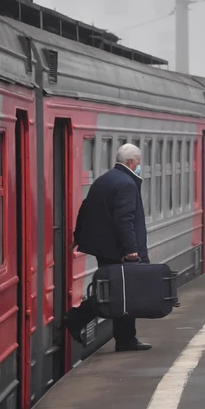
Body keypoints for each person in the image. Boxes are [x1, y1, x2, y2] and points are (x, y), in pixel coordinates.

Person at [64, 143, 152, 352]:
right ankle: (80, 319)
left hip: (106, 248)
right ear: (131, 162)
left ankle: (123, 338)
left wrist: (78, 235)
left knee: (117, 291)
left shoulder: (104, 180)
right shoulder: (127, 184)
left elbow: (85, 208)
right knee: (123, 292)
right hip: (119, 250)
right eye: (138, 162)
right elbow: (124, 219)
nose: (139, 166)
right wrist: (131, 249)